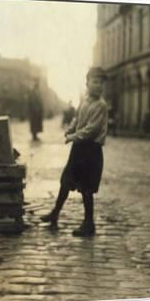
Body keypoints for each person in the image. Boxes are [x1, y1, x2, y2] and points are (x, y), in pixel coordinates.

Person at [40, 67, 108, 237]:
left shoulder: (100, 105)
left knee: (86, 188)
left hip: (91, 150)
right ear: (87, 83)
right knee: (66, 180)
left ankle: (89, 223)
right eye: (95, 82)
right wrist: (70, 129)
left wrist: (73, 137)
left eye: (101, 83)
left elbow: (91, 130)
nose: (98, 86)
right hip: (79, 149)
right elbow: (77, 119)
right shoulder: (85, 101)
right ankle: (55, 212)